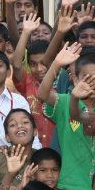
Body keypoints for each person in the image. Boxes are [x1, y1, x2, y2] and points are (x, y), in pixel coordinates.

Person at [38, 42, 95, 190]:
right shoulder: (65, 102)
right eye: (86, 78)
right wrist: (56, 64)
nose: (93, 84)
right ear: (75, 79)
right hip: (71, 188)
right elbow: (42, 94)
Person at [12, 15, 56, 148]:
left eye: (43, 63)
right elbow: (17, 65)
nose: (39, 69)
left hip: (57, 147)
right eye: (33, 64)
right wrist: (25, 33)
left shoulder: (62, 82)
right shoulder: (27, 81)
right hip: (33, 147)